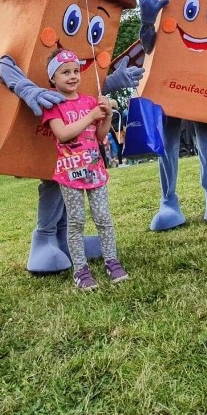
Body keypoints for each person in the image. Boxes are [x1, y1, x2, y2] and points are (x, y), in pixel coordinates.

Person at [41, 49, 127, 291]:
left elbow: (99, 137)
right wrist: (91, 116)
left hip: (95, 171)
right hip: (69, 174)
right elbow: (63, 134)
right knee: (76, 222)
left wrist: (107, 116)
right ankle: (80, 269)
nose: (72, 76)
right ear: (52, 79)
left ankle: (112, 261)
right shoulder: (53, 105)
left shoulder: (90, 101)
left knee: (103, 218)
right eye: (65, 72)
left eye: (76, 71)